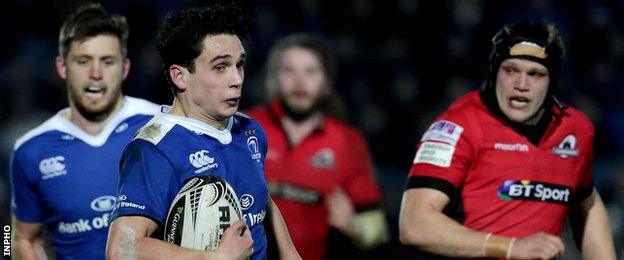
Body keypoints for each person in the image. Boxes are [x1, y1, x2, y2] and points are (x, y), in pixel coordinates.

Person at [399, 21, 616, 259]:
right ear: (495, 71)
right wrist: (511, 247)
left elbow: (587, 203)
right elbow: (414, 224)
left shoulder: (576, 130)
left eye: (535, 74)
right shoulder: (458, 126)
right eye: (510, 70)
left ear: (552, 81)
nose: (521, 85)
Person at [105, 3, 300, 260]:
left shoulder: (249, 130)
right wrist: (215, 258)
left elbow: (261, 202)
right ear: (180, 76)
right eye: (220, 67)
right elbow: (121, 249)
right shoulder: (154, 148)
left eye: (239, 65)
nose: (237, 79)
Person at [10, 3, 159, 259]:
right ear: (62, 67)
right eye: (83, 61)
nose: (96, 74)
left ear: (124, 68)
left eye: (107, 62)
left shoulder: (162, 125)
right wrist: (4, 249)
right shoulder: (30, 150)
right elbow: (17, 237)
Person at [246, 34, 389, 260]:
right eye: (289, 70)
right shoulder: (246, 127)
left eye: (310, 71)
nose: (299, 81)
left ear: (327, 83)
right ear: (274, 78)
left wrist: (354, 226)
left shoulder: (347, 142)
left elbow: (378, 232)